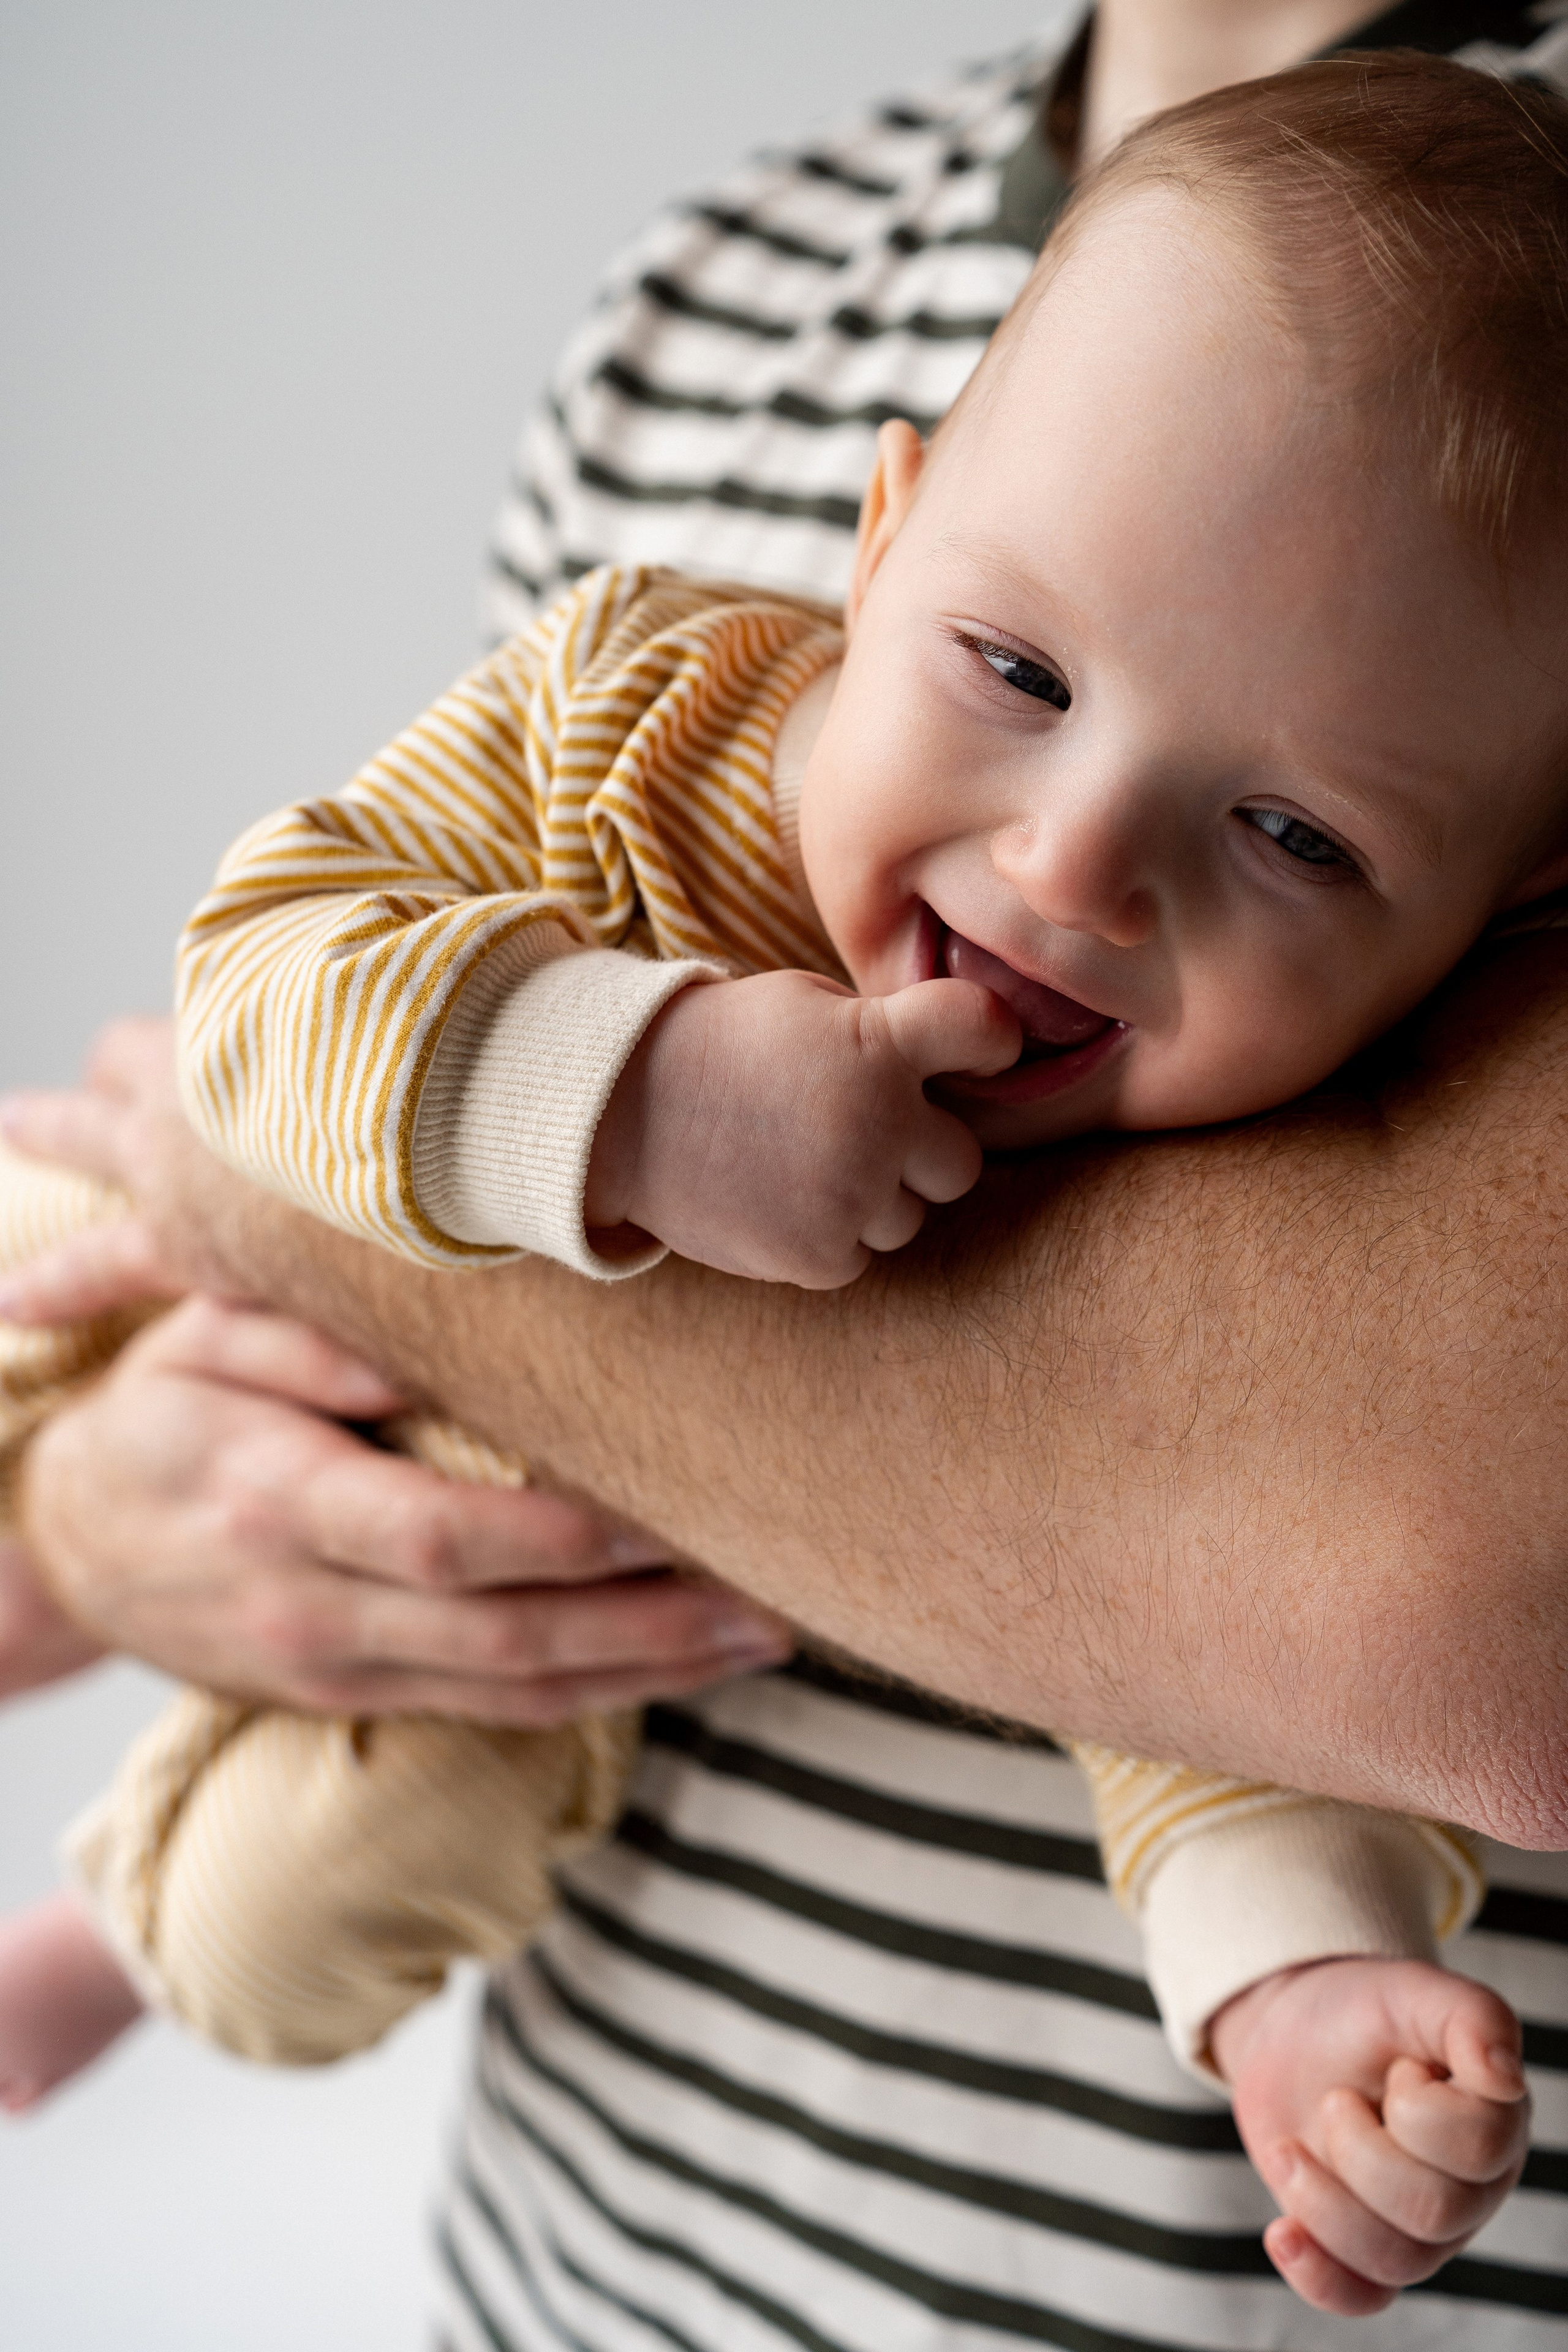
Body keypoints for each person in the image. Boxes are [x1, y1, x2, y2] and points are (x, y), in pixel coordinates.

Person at [6, 6, 1568, 2347]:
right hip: (567, 2245)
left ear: (1502, 917)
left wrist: (1305, 1987)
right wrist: (625, 1093)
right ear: (881, 530)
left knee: (304, 1892)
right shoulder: (655, 642)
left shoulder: (1257, 1103)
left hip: (999, 2194)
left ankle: (119, 1935)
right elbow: (272, 981)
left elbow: (1329, 1626)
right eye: (1012, 671)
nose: (1074, 868)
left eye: (1293, 834)